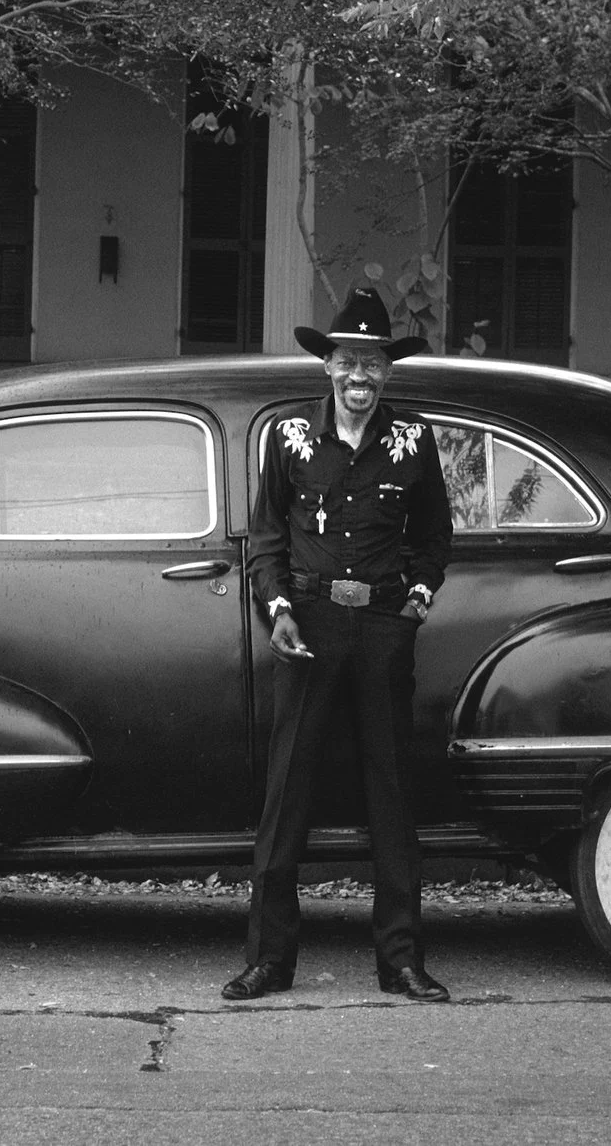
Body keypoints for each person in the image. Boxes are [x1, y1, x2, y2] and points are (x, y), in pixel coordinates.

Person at [224, 286, 454, 1003]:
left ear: (388, 371)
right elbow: (265, 540)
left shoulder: (412, 441)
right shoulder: (289, 438)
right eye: (349, 363)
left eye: (374, 365)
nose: (361, 378)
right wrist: (279, 611)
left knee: (391, 792)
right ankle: (270, 961)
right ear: (327, 366)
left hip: (383, 627)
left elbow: (434, 535)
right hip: (310, 628)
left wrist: (418, 596)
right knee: (287, 790)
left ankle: (401, 962)